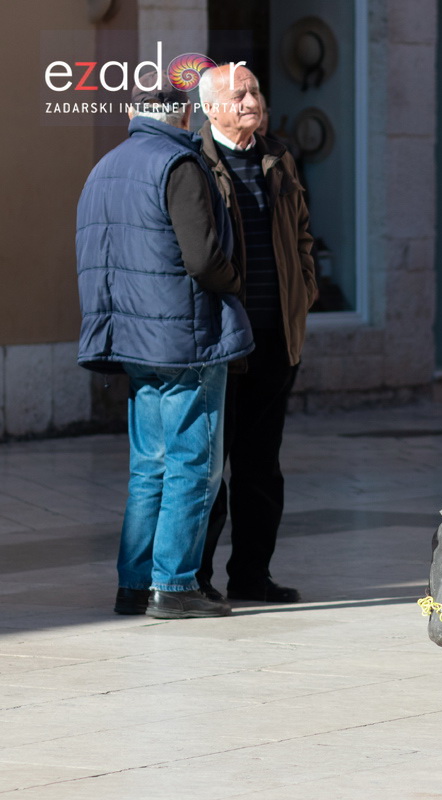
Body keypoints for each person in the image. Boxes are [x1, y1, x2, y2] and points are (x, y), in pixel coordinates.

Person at [76, 77, 253, 619]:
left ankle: (134, 584)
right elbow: (202, 258)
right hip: (184, 336)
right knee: (192, 463)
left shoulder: (104, 165)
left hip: (131, 338)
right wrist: (235, 281)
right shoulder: (179, 165)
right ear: (182, 117)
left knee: (148, 464)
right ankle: (173, 585)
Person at [195, 64, 319, 604]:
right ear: (211, 108)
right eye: (238, 94)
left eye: (255, 91)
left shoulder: (279, 157)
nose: (252, 101)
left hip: (275, 337)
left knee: (260, 468)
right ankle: (193, 578)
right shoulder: (195, 162)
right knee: (206, 469)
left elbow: (303, 234)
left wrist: (305, 290)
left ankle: (250, 575)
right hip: (219, 341)